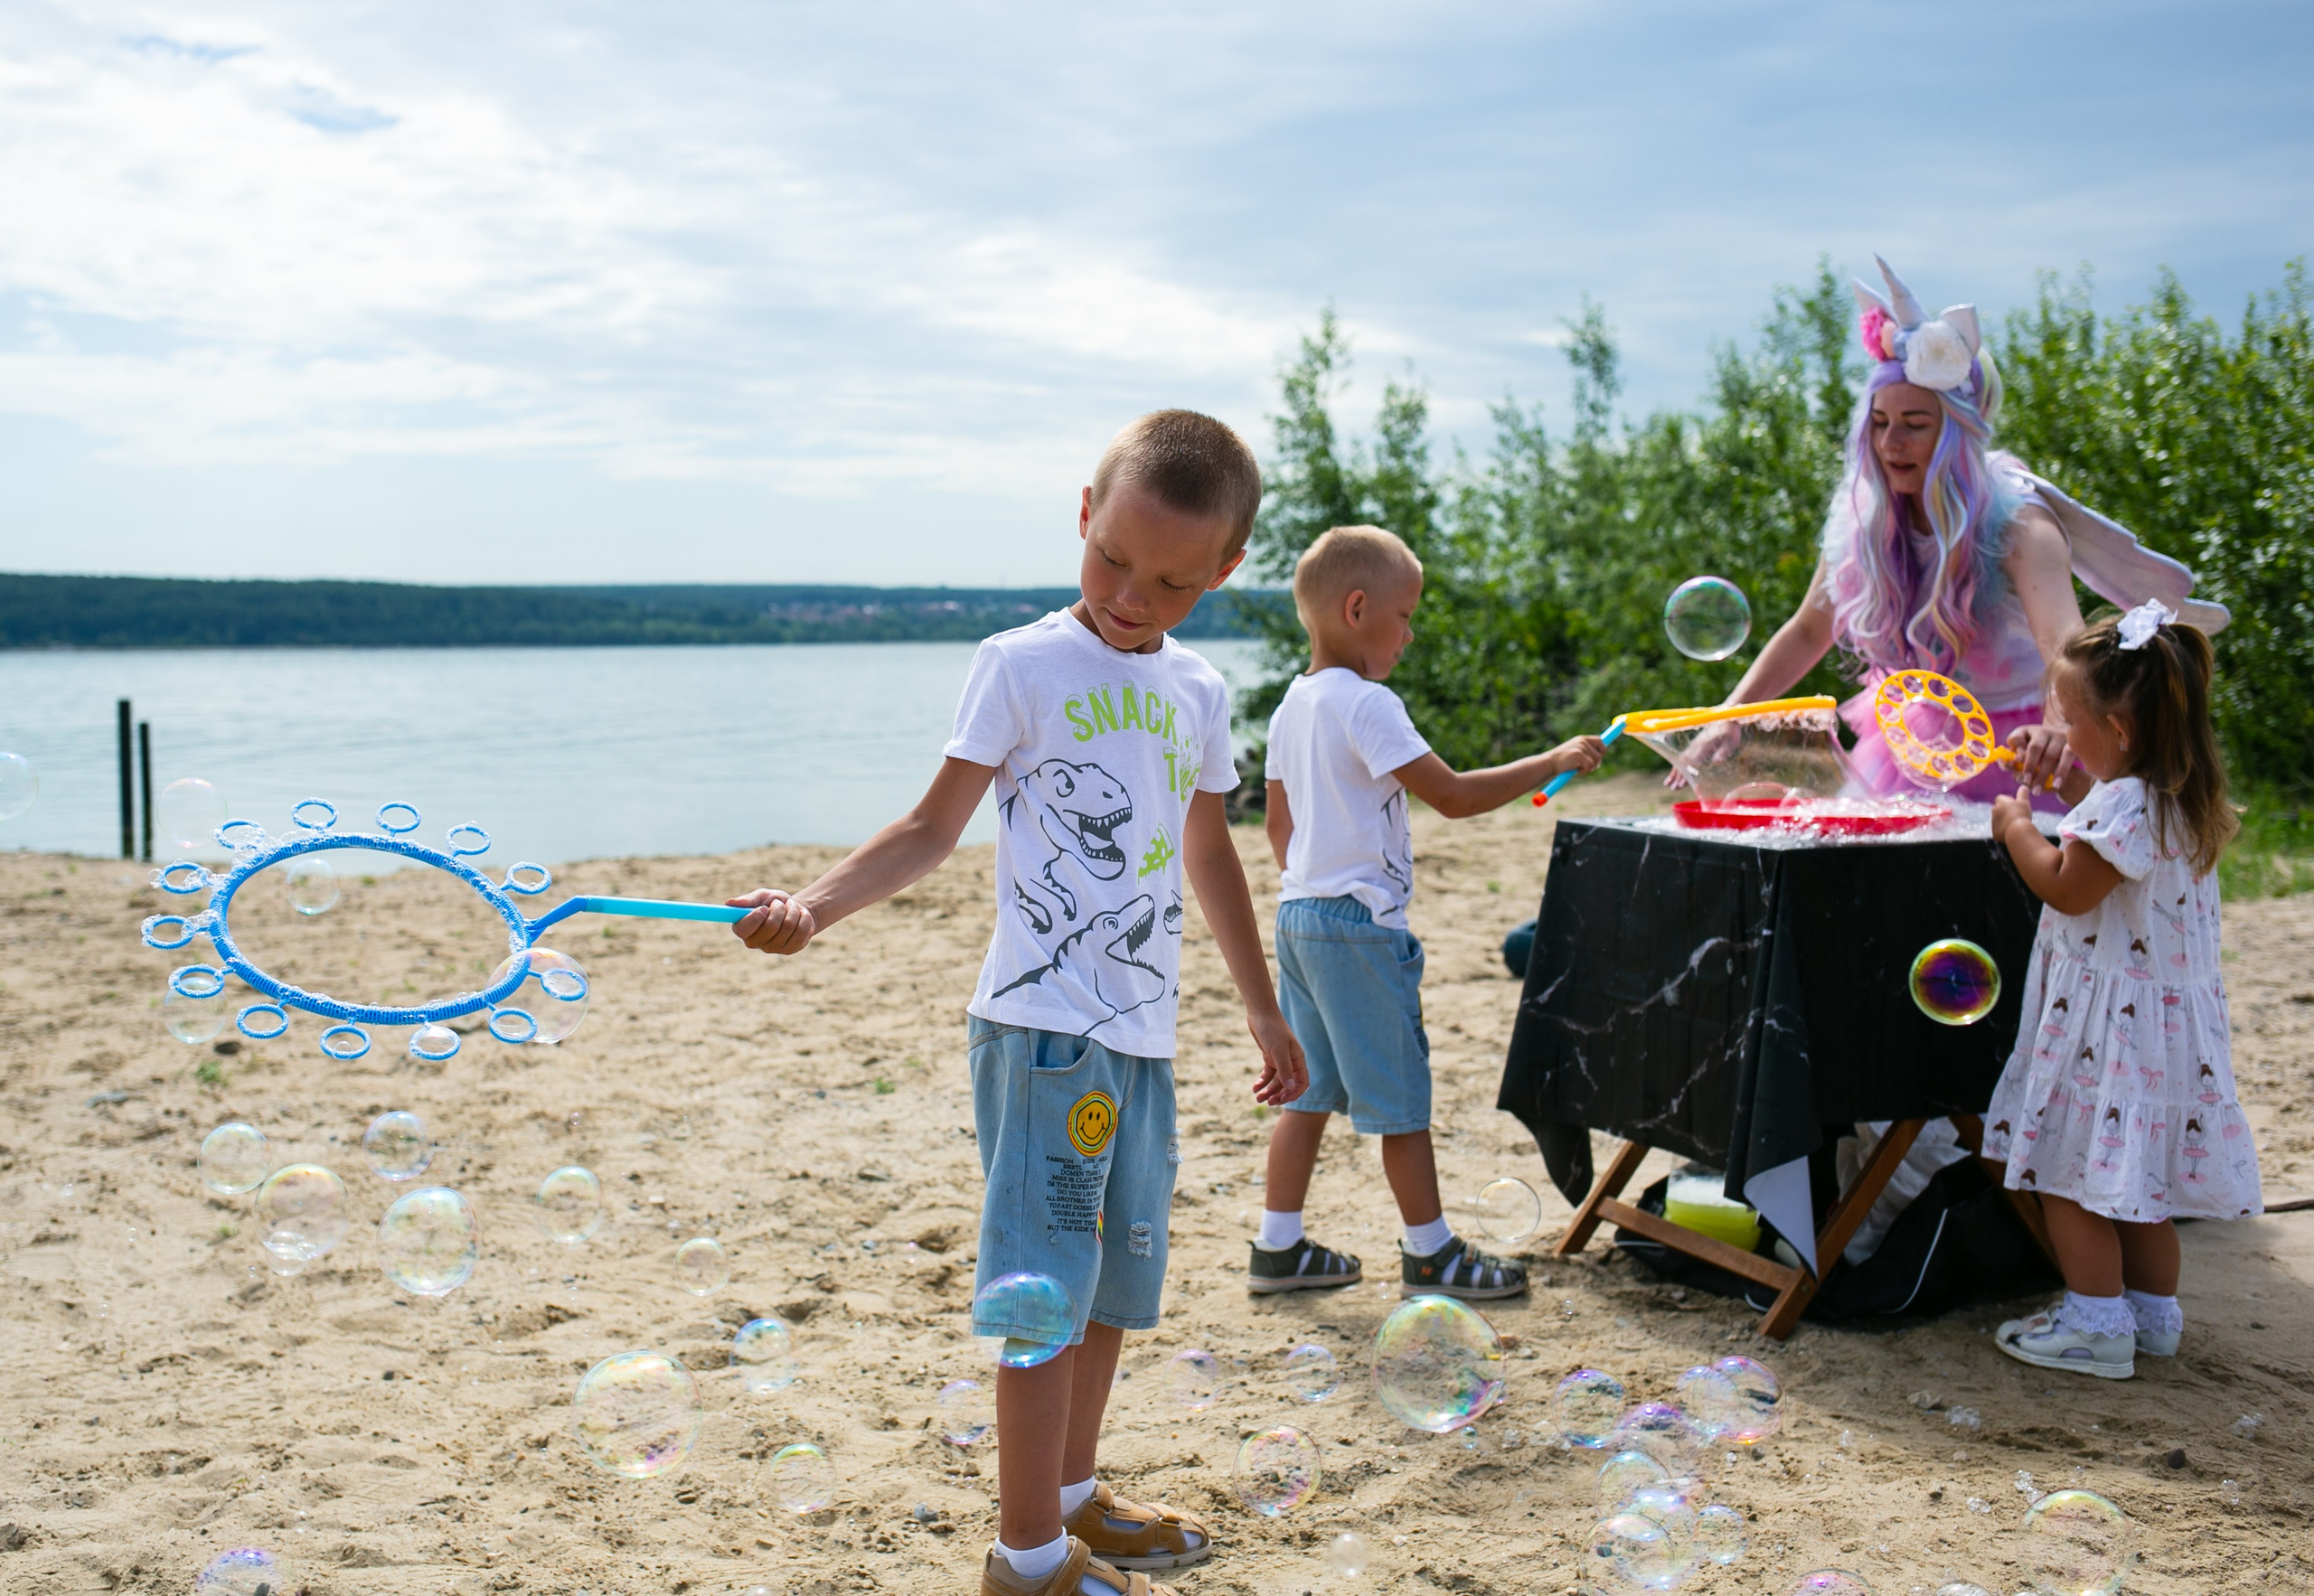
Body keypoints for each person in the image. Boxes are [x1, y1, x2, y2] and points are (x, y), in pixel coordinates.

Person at [724, 410, 1308, 1596]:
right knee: (1043, 1292)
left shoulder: (1198, 690)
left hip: (1141, 1034)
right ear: (1084, 513)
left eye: (1173, 580)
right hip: (1043, 1031)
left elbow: (1209, 852)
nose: (1134, 595)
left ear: (1226, 571)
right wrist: (815, 906)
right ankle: (1027, 1554)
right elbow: (934, 825)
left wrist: (1263, 1004)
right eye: (1114, 561)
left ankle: (1078, 1498)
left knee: (1109, 1284)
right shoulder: (1019, 662)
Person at [1721, 256, 2227, 807]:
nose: (1892, 445)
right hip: (1917, 746)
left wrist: (2058, 730)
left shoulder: (2019, 523)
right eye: (1881, 424)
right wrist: (1727, 717)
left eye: (1916, 425)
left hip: (2021, 747)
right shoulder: (1862, 522)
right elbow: (1808, 631)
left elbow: (2064, 647)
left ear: (1958, 435)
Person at [1246, 525, 1605, 1300]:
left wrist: (1317, 877)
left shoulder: (1291, 707)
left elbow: (1279, 828)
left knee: (1308, 1092)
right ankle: (1432, 1252)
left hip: (1300, 919)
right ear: (1356, 608)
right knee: (1401, 1103)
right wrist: (1551, 760)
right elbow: (1452, 795)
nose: (1409, 634)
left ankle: (1278, 1246)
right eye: (1404, 616)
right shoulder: (1366, 703)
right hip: (1356, 932)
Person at [1980, 601, 2261, 1379]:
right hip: (2163, 1039)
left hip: (2108, 1036)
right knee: (2142, 1187)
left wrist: (2016, 828)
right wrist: (2074, 779)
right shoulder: (2177, 797)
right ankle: (2150, 1316)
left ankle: (2095, 1324)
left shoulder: (2123, 804)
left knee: (2069, 1176)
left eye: (2071, 721)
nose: (2062, 736)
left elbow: (2067, 888)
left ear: (2123, 732)